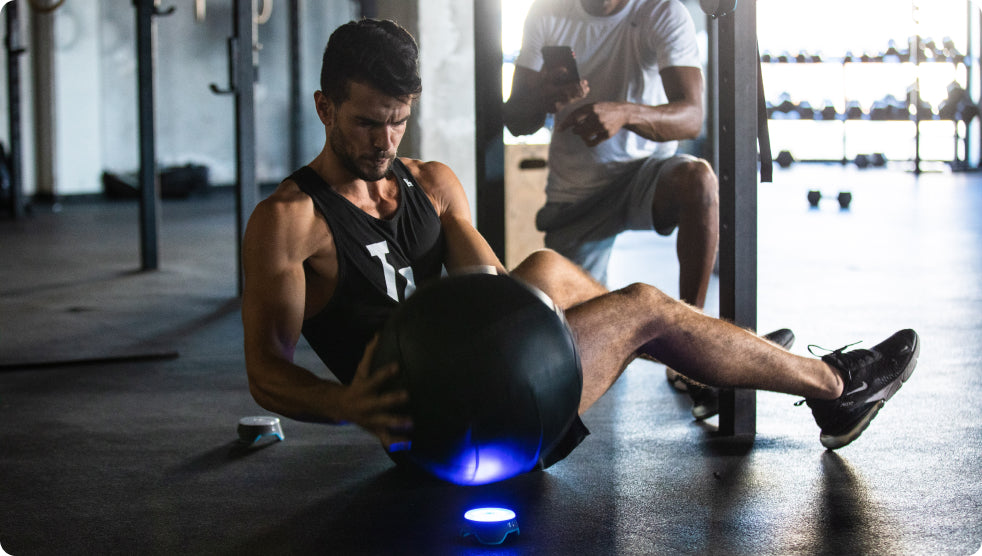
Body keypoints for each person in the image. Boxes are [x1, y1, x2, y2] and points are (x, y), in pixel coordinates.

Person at [241, 19, 919, 473]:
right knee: (648, 307)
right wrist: (346, 406)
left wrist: (505, 303)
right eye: (364, 124)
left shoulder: (431, 183)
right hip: (442, 428)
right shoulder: (290, 220)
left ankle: (717, 352)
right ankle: (834, 386)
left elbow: (494, 286)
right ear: (325, 107)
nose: (383, 144)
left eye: (397, 124)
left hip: (483, 368)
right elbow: (267, 373)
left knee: (545, 270)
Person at [502, 0, 726, 418]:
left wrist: (625, 113)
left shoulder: (661, 11)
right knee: (561, 345)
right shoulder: (546, 13)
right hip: (577, 193)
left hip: (645, 173)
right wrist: (544, 98)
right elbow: (516, 118)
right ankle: (670, 341)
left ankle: (690, 345)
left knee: (699, 180)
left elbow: (692, 116)